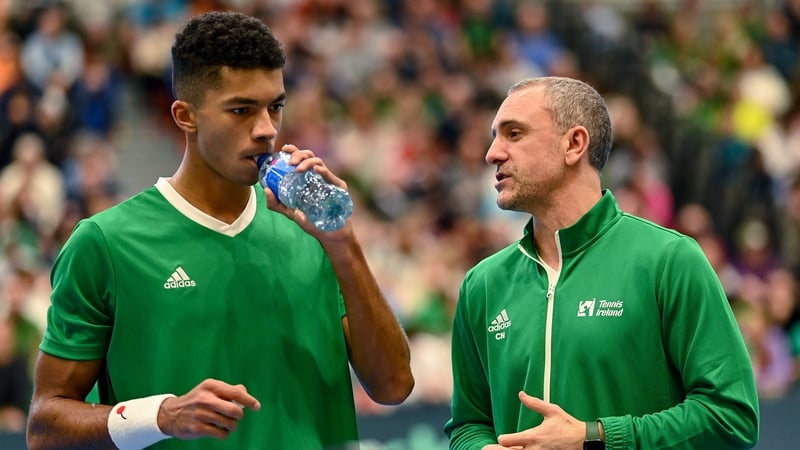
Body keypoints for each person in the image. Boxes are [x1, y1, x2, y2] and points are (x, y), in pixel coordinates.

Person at [26, 11, 414, 450]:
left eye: (275, 107)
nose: (266, 129)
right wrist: (161, 416)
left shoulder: (316, 231)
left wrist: (345, 246)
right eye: (241, 110)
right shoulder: (105, 243)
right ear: (185, 116)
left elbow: (394, 386)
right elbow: (45, 427)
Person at [444, 77, 759, 450]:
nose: (492, 153)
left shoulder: (669, 260)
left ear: (574, 144)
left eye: (514, 134)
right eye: (495, 137)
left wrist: (594, 438)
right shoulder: (482, 284)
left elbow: (731, 417)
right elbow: (468, 425)